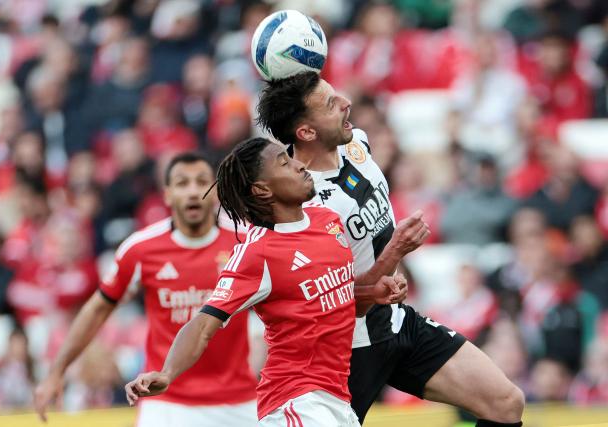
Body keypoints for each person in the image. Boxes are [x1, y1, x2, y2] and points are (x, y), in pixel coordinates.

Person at [256, 71, 525, 427]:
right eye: (330, 104)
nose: (345, 103)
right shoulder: (303, 207)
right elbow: (340, 301)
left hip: (396, 323)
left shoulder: (358, 144)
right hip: (344, 351)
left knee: (505, 403)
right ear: (306, 132)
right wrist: (395, 252)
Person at [124, 137, 407, 426]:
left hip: (334, 397)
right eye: (285, 163)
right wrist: (167, 373)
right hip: (296, 401)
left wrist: (372, 292)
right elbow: (202, 324)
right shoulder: (257, 252)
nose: (299, 165)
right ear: (262, 189)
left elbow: (329, 296)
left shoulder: (327, 220)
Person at [33, 152, 258, 426]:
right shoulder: (141, 249)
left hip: (237, 401)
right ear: (167, 195)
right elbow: (96, 310)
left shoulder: (246, 243)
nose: (192, 191)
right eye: (182, 183)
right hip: (166, 402)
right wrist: (56, 371)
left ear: (216, 193)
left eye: (202, 182)